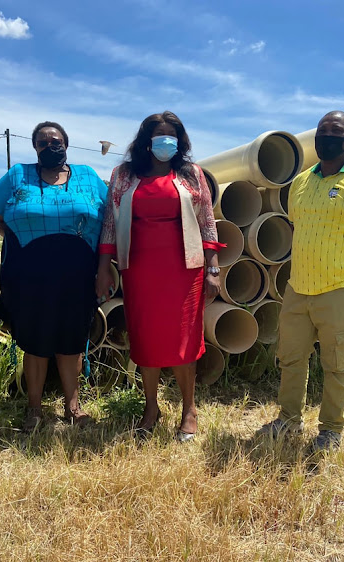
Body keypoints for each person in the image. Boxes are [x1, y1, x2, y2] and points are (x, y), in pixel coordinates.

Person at [258, 111, 344, 453]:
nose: (327, 137)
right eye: (322, 131)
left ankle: (331, 430)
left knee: (336, 364)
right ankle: (289, 419)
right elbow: (300, 226)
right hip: (299, 288)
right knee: (291, 358)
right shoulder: (302, 182)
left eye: (336, 132)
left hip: (341, 290)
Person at [96, 111, 224, 442]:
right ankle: (151, 408)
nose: (165, 141)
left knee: (183, 341)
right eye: (158, 134)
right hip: (139, 269)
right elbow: (110, 222)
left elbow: (207, 221)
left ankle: (189, 409)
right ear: (145, 140)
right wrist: (103, 266)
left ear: (180, 141)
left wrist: (213, 269)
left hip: (185, 270)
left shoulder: (192, 174)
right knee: (146, 339)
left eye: (172, 135)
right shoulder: (123, 175)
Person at [0, 121, 107, 431]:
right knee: (35, 341)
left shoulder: (89, 177)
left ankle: (73, 407)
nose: (50, 145)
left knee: (71, 341)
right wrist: (20, 241)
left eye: (55, 140)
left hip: (77, 272)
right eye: (42, 142)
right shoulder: (18, 175)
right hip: (29, 273)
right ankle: (35, 408)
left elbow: (109, 218)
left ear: (66, 143)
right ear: (35, 148)